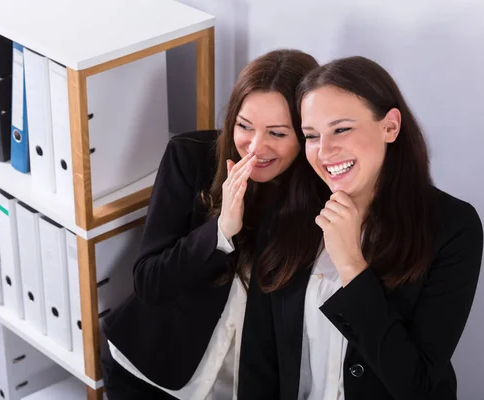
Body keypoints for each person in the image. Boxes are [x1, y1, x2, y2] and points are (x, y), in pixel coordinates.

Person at [238, 56, 484, 400]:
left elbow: (417, 386)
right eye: (311, 135)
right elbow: (257, 364)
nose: (324, 151)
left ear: (390, 127)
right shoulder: (288, 217)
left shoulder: (453, 227)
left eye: (341, 129)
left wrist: (352, 264)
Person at [101, 49, 324, 399]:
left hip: (234, 385)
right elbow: (149, 281)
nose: (255, 146)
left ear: (306, 134)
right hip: (150, 372)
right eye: (244, 126)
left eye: (278, 134)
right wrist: (220, 231)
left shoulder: (320, 196)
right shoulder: (189, 157)